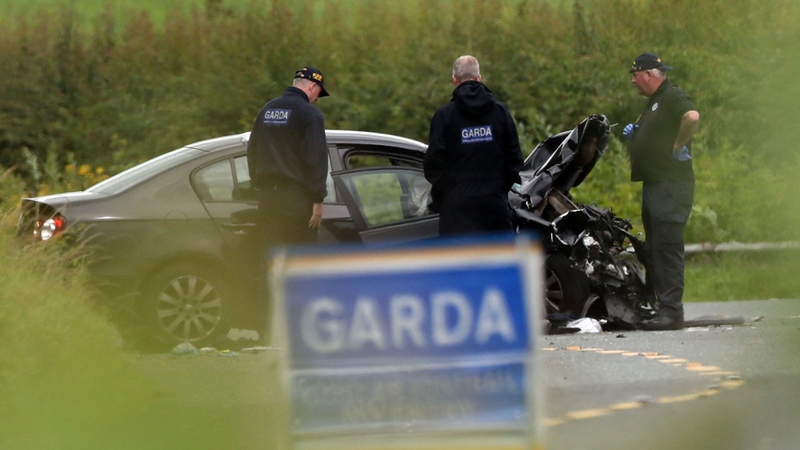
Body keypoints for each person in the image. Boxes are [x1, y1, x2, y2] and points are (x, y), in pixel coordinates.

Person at [623, 52, 700, 330]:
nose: (633, 81)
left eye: (635, 75)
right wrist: (639, 132)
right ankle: (661, 307)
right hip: (655, 183)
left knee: (667, 248)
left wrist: (678, 146)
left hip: (671, 184)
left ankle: (671, 312)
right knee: (655, 248)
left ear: (648, 74)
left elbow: (691, 117)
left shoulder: (671, 95)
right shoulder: (654, 102)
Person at [423, 55, 524, 236]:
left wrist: (451, 192)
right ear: (479, 77)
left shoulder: (444, 116)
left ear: (455, 80)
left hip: (457, 212)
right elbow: (515, 159)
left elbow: (433, 165)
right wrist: (498, 188)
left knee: (461, 263)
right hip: (494, 208)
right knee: (498, 262)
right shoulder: (500, 112)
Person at [247, 66, 330, 260]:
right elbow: (316, 160)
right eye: (319, 93)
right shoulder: (310, 114)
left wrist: (260, 184)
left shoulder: (267, 109)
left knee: (272, 259)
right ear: (312, 87)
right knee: (300, 259)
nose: (317, 99)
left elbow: (253, 151)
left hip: (268, 199)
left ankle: (269, 291)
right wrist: (318, 200)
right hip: (297, 201)